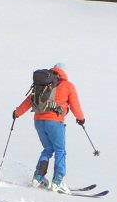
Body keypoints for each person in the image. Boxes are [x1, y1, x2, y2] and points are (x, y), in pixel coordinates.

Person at [12, 63, 86, 194]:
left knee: (48, 149)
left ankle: (38, 177)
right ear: (65, 72)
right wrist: (80, 118)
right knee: (60, 150)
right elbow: (75, 105)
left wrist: (17, 113)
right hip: (55, 122)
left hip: (38, 121)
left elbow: (30, 100)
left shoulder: (43, 83)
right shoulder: (68, 86)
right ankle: (57, 182)